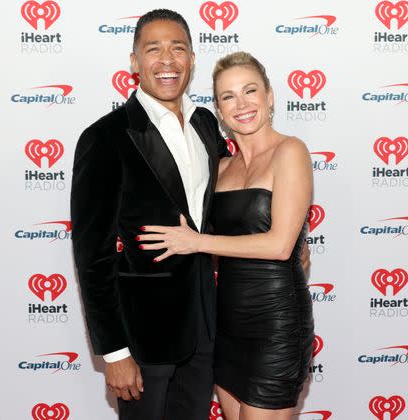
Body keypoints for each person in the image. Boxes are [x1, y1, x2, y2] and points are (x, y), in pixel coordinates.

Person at [70, 9, 230, 420]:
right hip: (142, 337)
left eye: (178, 48)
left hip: (204, 327)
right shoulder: (105, 137)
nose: (167, 60)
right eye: (153, 49)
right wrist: (115, 352)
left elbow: (241, 193)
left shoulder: (207, 126)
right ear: (134, 61)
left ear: (192, 59)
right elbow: (93, 256)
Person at [137, 52, 315, 420]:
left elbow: (280, 246)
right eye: (228, 97)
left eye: (250, 91)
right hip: (226, 324)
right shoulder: (219, 167)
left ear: (269, 96)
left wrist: (197, 242)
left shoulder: (290, 151)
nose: (242, 104)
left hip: (277, 323)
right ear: (218, 109)